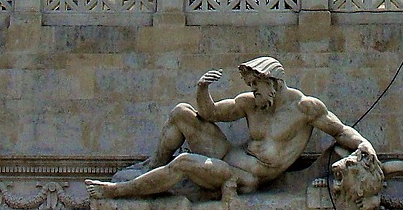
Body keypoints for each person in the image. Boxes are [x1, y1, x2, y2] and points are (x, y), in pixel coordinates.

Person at [89, 56, 377, 199]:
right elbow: (210, 113)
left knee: (186, 161)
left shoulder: (305, 108)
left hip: (245, 177)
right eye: (250, 85)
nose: (252, 91)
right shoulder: (250, 103)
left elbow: (341, 132)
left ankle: (120, 191)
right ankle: (152, 166)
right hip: (226, 153)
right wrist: (203, 89)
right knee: (181, 113)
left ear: (274, 83)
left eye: (256, 84)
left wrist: (365, 147)